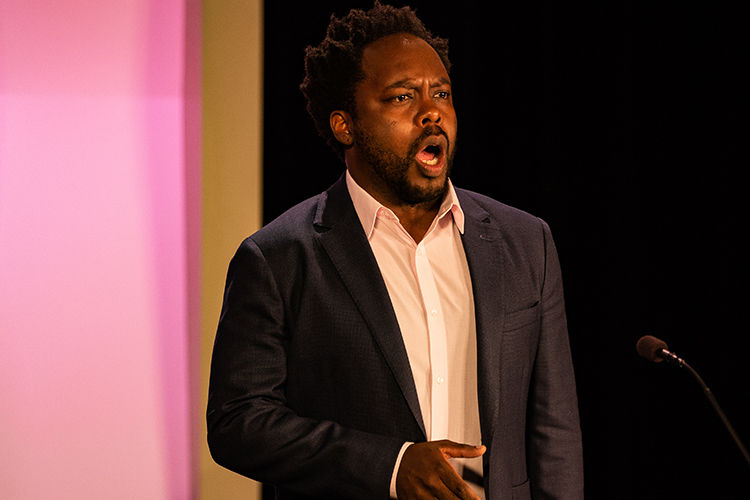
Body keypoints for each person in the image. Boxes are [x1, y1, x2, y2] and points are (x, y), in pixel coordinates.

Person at [207, 3, 583, 499]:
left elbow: (555, 432)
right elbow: (238, 422)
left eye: (441, 93)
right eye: (402, 97)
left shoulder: (526, 242)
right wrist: (390, 466)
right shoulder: (279, 259)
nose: (432, 111)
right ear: (346, 126)